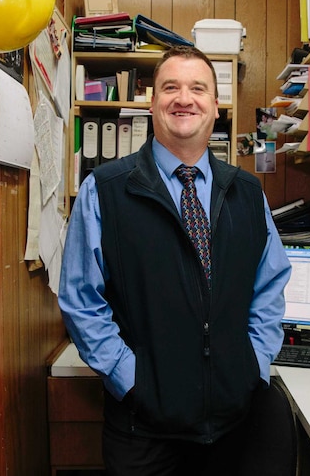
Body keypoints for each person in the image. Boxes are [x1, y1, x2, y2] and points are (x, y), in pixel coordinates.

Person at [58, 45, 292, 476]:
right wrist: (131, 379)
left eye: (197, 88)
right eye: (171, 87)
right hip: (143, 432)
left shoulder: (247, 192)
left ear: (216, 106)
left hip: (233, 427)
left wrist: (253, 364)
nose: (184, 98)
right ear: (152, 103)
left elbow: (270, 286)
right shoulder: (105, 190)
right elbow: (80, 300)